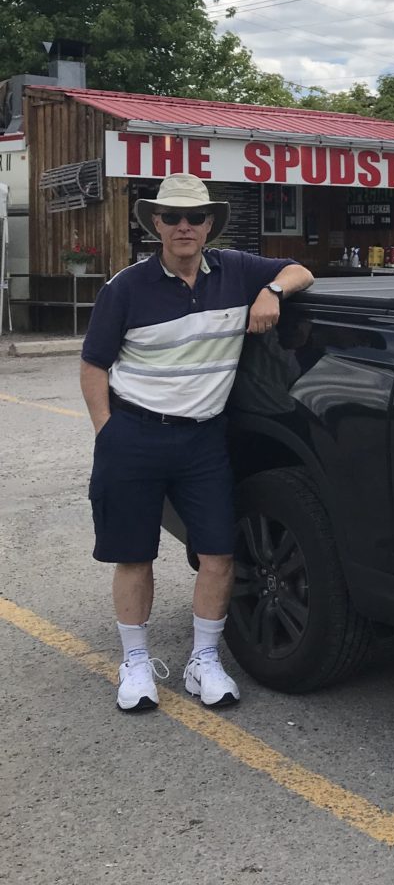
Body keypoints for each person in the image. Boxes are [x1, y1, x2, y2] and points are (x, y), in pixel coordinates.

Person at [79, 174, 314, 712]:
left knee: (219, 554)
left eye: (195, 217)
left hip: (203, 440)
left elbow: (300, 269)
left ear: (210, 223)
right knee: (134, 555)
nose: (184, 226)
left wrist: (271, 291)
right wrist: (106, 431)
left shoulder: (235, 270)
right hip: (133, 434)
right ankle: (135, 663)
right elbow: (94, 364)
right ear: (156, 224)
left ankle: (203, 661)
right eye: (172, 217)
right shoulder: (126, 287)